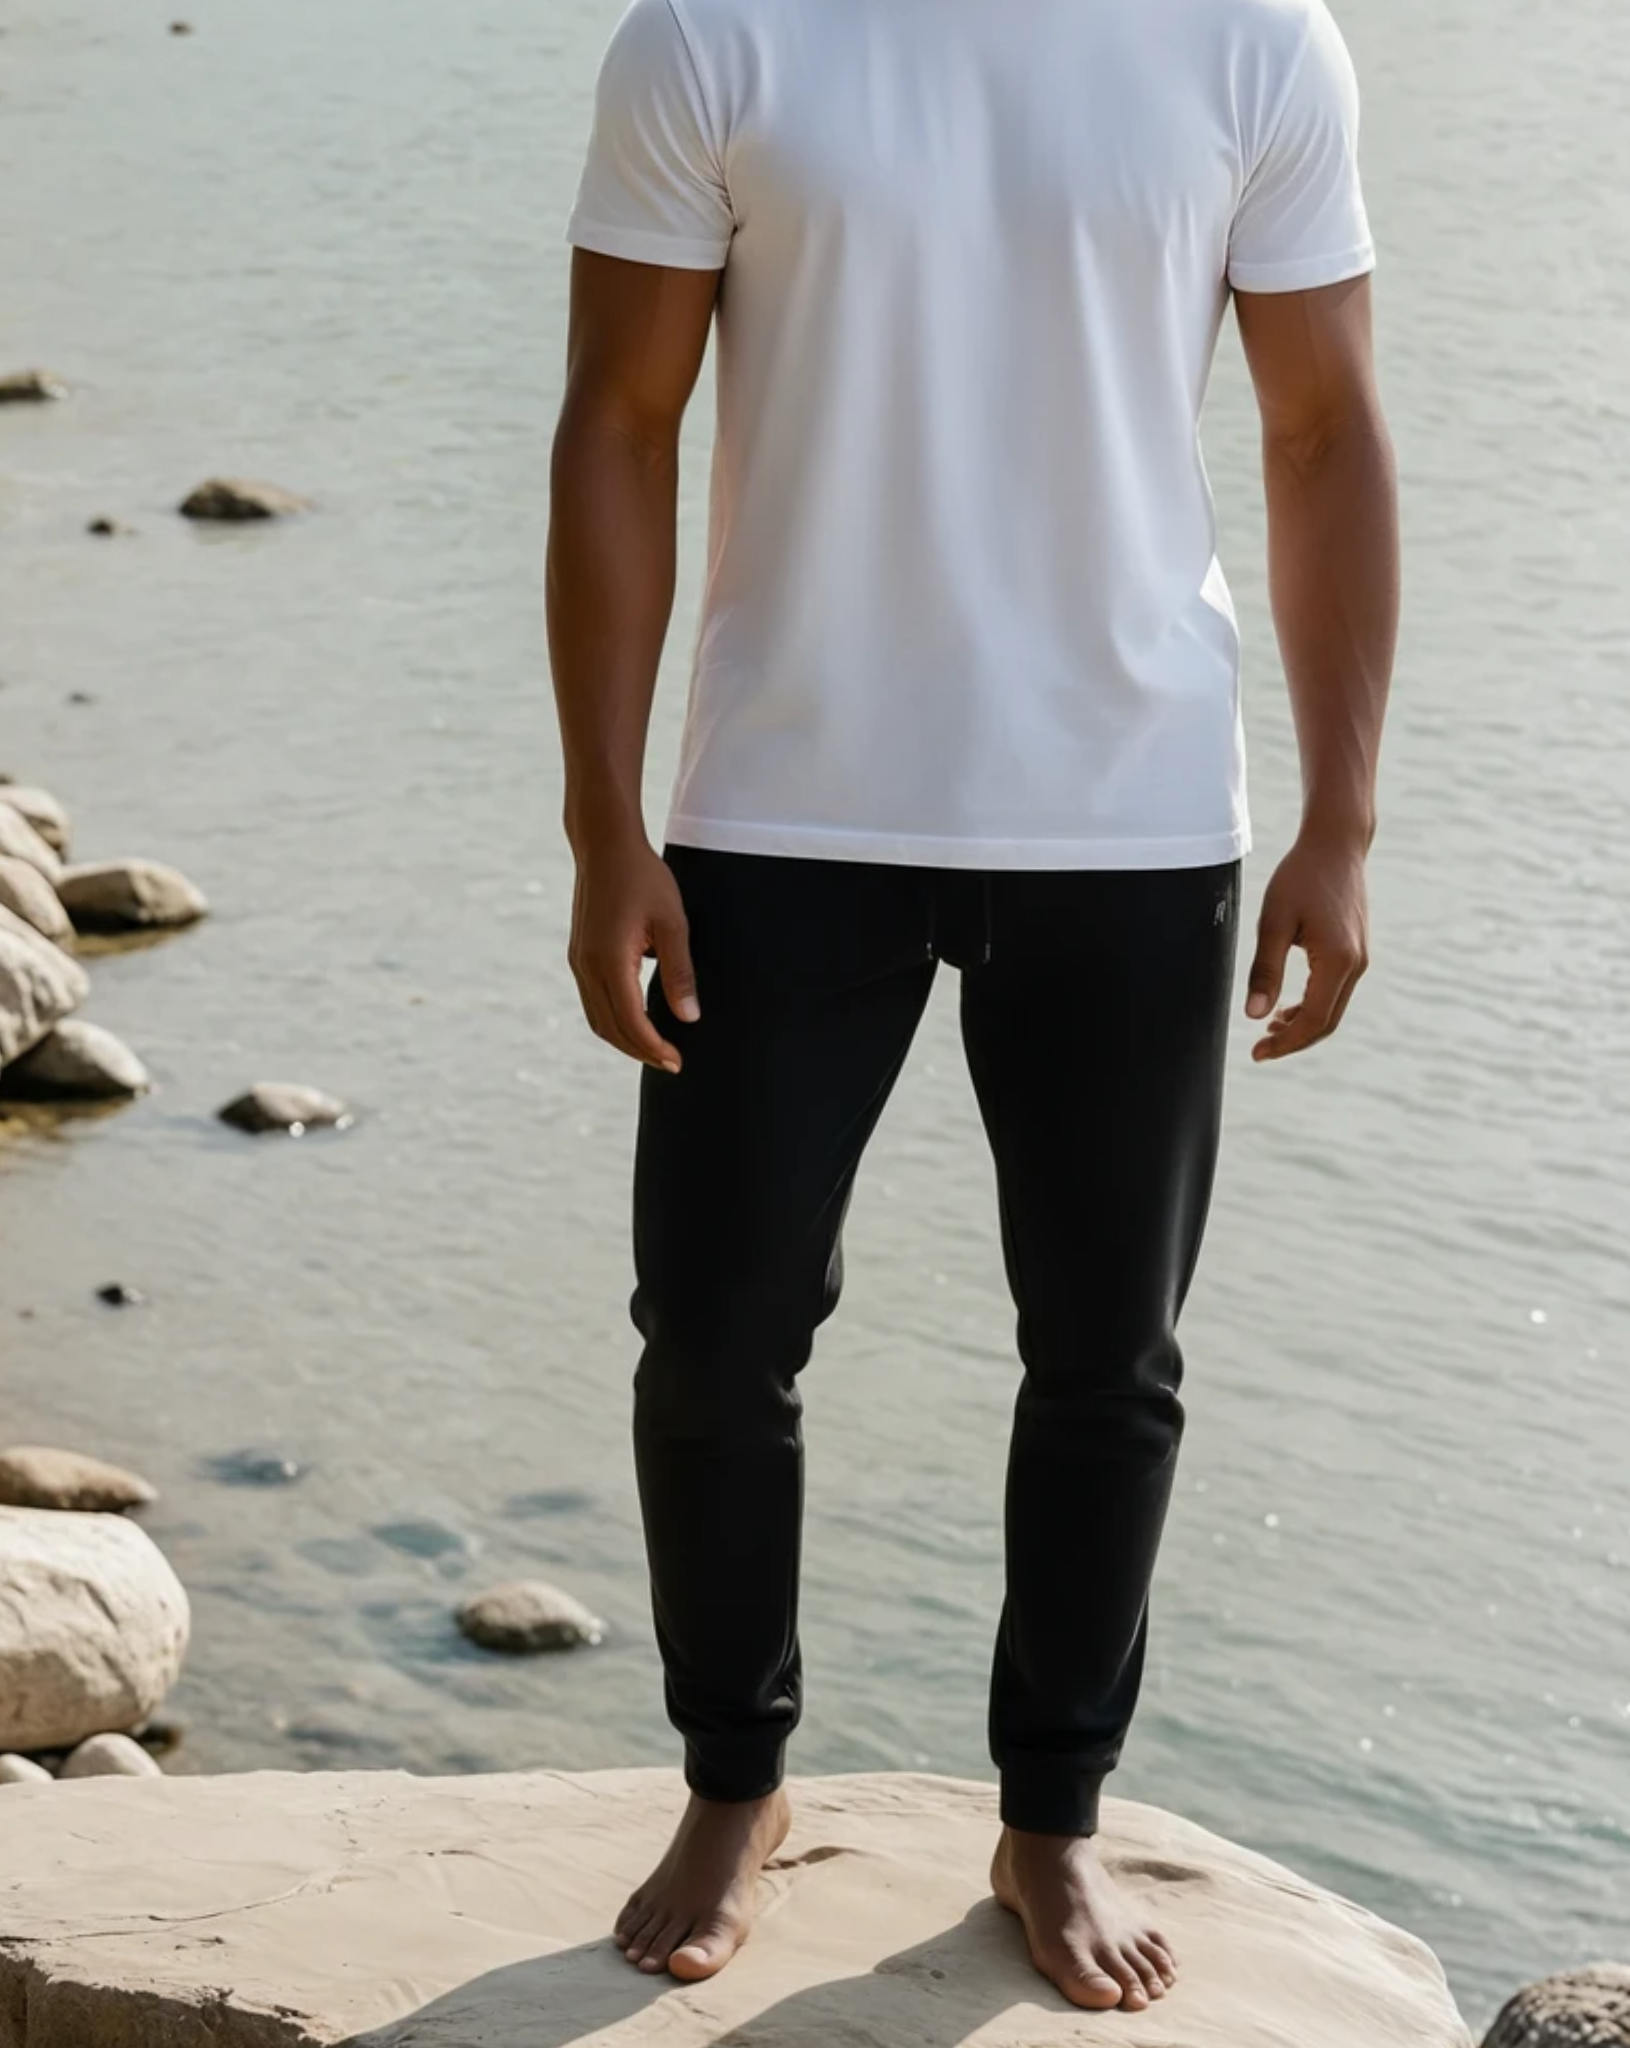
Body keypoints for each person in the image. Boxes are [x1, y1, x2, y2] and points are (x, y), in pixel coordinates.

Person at [546, 0, 1399, 2014]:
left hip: (1126, 813)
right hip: (778, 803)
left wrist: (1343, 819)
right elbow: (614, 420)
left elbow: (1325, 426)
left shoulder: (1252, 41)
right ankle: (734, 1782)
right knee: (717, 1332)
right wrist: (602, 825)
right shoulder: (715, 33)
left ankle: (1049, 1819)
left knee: (1108, 1354)